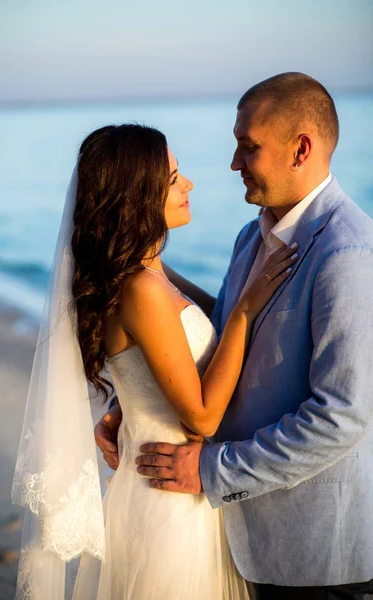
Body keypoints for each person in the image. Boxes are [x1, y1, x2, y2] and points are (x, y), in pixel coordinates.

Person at [97, 73, 373, 600]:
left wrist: (213, 469)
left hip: (316, 557)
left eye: (248, 148)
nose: (232, 164)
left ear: (301, 149)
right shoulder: (253, 236)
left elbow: (342, 417)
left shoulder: (349, 253)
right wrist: (137, 396)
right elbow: (221, 338)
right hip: (239, 540)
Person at [12, 123, 297, 600]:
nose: (188, 185)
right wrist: (248, 307)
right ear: (138, 194)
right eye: (173, 179)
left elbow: (201, 332)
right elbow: (202, 416)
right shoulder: (141, 288)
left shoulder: (151, 271)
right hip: (167, 500)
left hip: (173, 486)